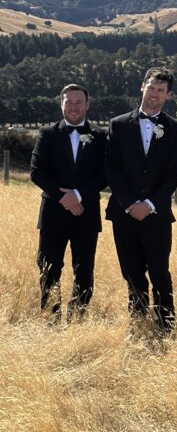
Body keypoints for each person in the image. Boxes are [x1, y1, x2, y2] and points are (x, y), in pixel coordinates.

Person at [105, 67, 177, 333]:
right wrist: (130, 204)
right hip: (124, 213)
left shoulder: (176, 129)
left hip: (157, 214)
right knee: (131, 273)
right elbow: (112, 169)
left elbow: (174, 173)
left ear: (168, 95)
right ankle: (138, 325)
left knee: (160, 272)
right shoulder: (118, 125)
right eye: (151, 87)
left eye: (161, 90)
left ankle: (165, 327)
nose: (154, 94)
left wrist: (149, 204)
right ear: (142, 87)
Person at [30, 84, 107, 321]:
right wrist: (64, 197)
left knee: (84, 270)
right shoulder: (47, 134)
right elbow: (37, 172)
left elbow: (105, 174)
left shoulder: (100, 136)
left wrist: (79, 195)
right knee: (48, 267)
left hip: (86, 213)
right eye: (69, 102)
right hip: (53, 213)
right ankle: (50, 318)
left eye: (78, 102)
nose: (74, 107)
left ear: (87, 104)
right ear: (61, 103)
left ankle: (77, 319)